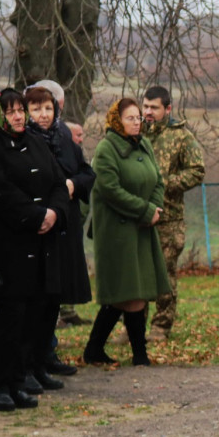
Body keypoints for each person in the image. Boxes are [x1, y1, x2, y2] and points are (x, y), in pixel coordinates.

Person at [0, 89, 69, 410]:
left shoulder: (36, 142)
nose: (16, 116)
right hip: (9, 246)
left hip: (43, 243)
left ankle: (19, 380)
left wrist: (53, 212)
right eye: (10, 111)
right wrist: (36, 215)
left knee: (35, 315)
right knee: (10, 318)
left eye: (19, 111)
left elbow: (57, 181)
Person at [83, 98, 171, 367]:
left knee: (136, 291)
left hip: (142, 227)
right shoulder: (107, 149)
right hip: (118, 231)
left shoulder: (143, 144)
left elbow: (157, 179)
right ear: (116, 121)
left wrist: (154, 208)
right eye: (130, 118)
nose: (136, 123)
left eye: (138, 118)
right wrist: (144, 211)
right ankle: (134, 354)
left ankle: (102, 350)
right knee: (126, 292)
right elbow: (110, 190)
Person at [24, 85, 94, 383]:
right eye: (36, 109)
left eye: (48, 108)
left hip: (65, 224)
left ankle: (45, 359)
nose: (43, 115)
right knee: (36, 298)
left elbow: (86, 173)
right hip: (37, 227)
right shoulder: (22, 141)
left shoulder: (65, 138)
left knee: (55, 295)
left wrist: (72, 186)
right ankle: (29, 364)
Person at [141, 86, 206, 343]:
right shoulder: (135, 134)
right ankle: (134, 325)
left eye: (154, 107)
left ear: (167, 109)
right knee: (138, 273)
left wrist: (165, 183)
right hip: (138, 215)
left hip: (169, 218)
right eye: (145, 106)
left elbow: (197, 171)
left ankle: (161, 326)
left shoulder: (181, 137)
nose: (148, 112)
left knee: (164, 273)